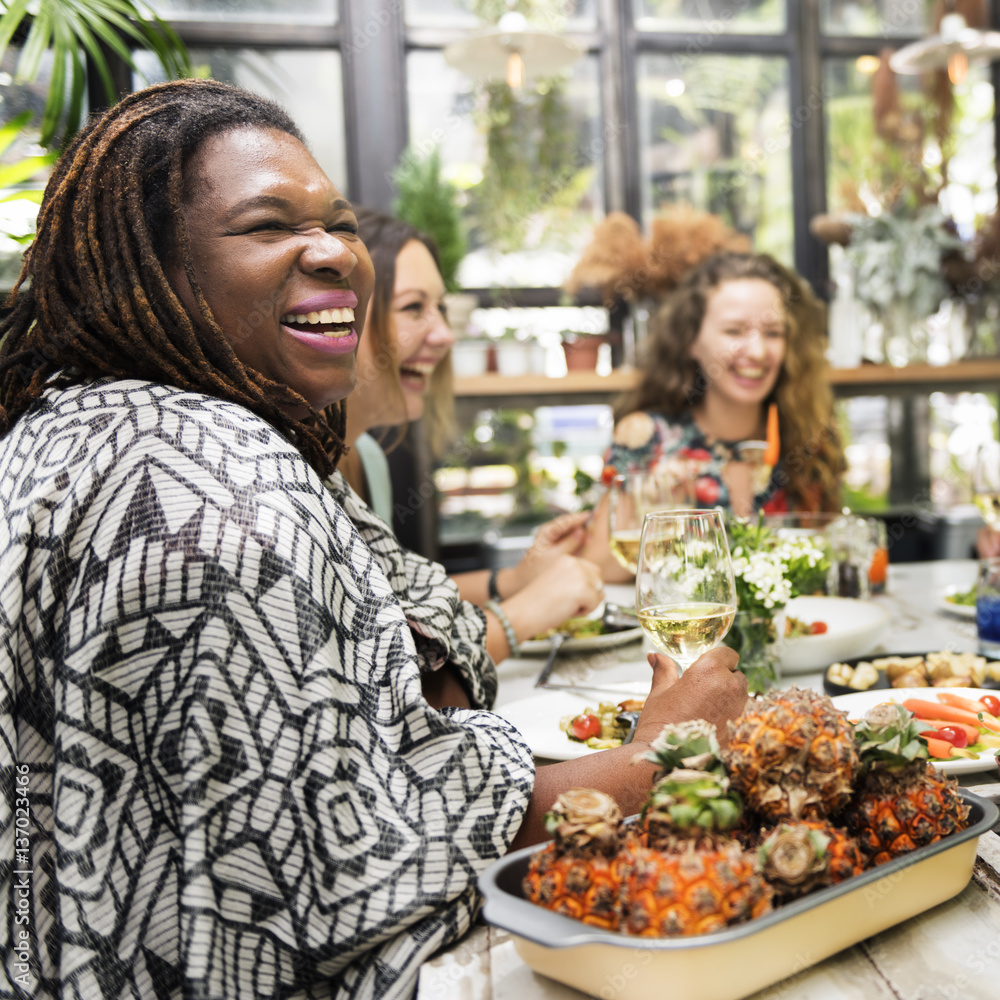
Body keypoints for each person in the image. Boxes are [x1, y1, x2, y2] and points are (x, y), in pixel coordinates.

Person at [0, 79, 748, 999]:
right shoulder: (206, 483)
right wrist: (660, 754)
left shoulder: (85, 423)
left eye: (339, 221)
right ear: (151, 269)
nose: (334, 253)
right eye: (268, 225)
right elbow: (336, 880)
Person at [341, 207, 604, 662]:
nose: (444, 334)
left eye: (439, 308)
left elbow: (400, 602)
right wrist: (525, 612)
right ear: (342, 317)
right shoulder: (293, 474)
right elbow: (377, 665)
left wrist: (517, 579)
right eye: (412, 308)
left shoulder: (368, 459)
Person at [583, 251, 845, 581]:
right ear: (691, 340)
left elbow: (830, 559)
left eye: (774, 333)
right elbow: (595, 571)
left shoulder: (811, 435)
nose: (758, 351)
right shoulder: (645, 438)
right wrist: (652, 517)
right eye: (734, 331)